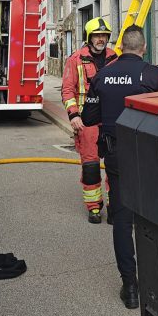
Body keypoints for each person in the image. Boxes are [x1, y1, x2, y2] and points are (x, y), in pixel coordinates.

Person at [81, 24, 158, 310]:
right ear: (143, 48)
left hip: (117, 155)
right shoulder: (153, 74)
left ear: (119, 48)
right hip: (149, 156)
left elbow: (88, 115)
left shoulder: (102, 75)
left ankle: (130, 287)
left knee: (121, 218)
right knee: (154, 217)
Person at [61, 17, 116, 224]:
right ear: (89, 37)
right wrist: (74, 115)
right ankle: (94, 207)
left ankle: (114, 206)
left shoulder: (114, 58)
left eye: (104, 35)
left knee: (114, 166)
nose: (101, 39)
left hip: (110, 121)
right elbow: (67, 91)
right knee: (91, 167)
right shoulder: (75, 59)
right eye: (97, 35)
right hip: (87, 122)